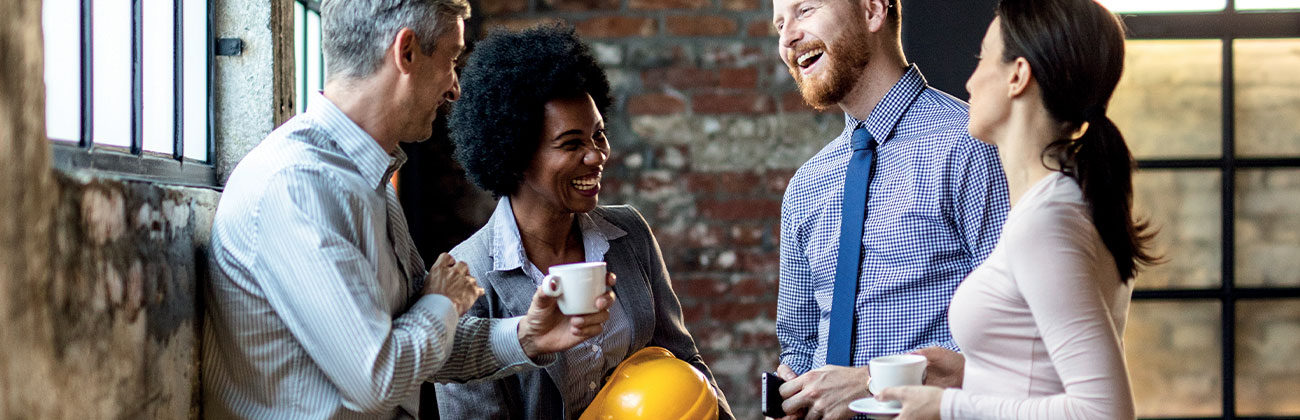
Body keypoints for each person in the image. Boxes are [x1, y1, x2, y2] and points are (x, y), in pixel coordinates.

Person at [203, 1, 617, 418]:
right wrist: (442, 302)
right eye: (452, 60)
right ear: (407, 52)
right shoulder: (296, 186)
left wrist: (527, 336)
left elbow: (420, 348)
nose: (455, 88)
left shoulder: (369, 181)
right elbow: (378, 381)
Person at [434, 25, 734, 420]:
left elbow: (684, 363)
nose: (596, 156)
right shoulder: (467, 279)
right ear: (516, 154)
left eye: (599, 136)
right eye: (572, 143)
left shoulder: (630, 235)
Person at [874, 0, 1157, 418]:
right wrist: (974, 374)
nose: (969, 82)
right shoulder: (1057, 205)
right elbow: (1041, 376)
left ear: (1018, 76)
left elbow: (1103, 411)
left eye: (982, 58)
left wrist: (948, 407)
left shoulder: (1048, 220)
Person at [770, 0, 1010, 418]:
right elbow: (801, 342)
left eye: (805, 10)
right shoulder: (806, 186)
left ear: (872, 11)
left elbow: (1016, 334)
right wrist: (791, 391)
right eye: (779, 24)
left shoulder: (971, 145)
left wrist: (868, 383)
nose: (787, 37)